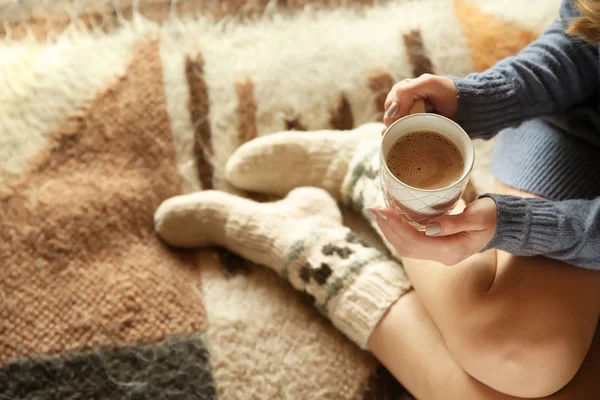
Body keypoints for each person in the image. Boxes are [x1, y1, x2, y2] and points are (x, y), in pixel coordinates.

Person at [153, 0, 600, 398]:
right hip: (584, 145)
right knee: (519, 355)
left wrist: (523, 226)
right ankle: (373, 171)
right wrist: (473, 100)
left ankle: (319, 254)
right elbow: (584, 32)